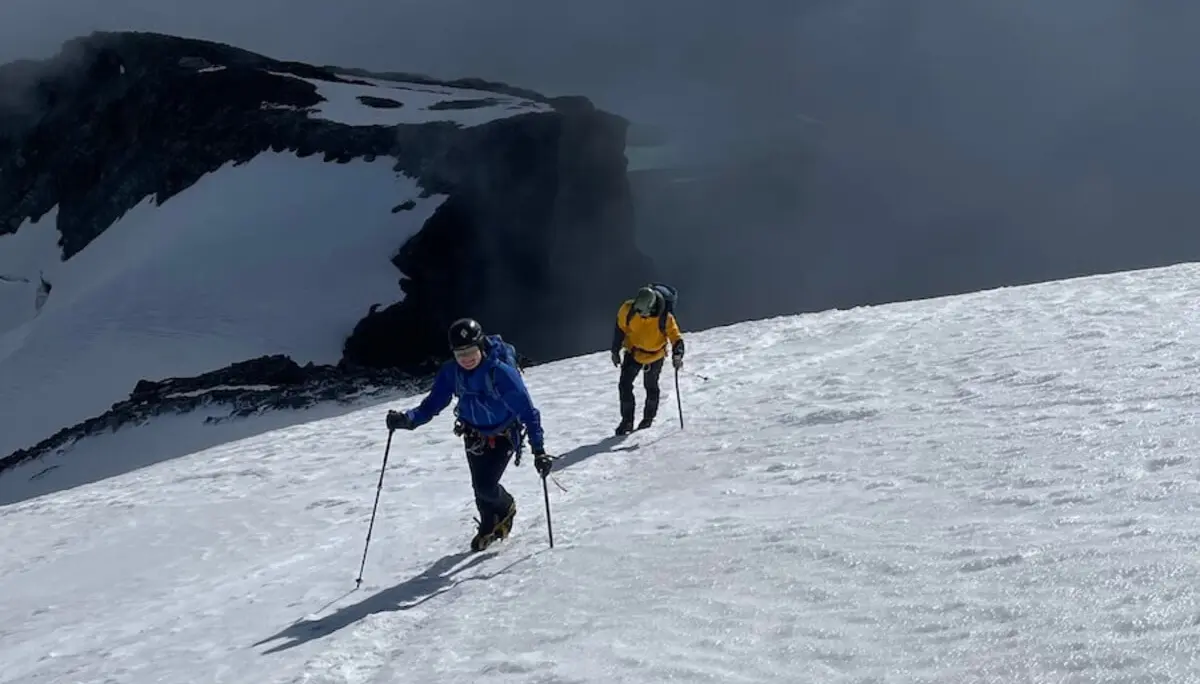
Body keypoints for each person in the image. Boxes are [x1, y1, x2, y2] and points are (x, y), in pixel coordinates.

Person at [385, 318, 552, 552]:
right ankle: (488, 524)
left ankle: (506, 507)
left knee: (485, 485)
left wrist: (539, 450)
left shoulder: (500, 373)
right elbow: (432, 404)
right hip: (473, 434)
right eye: (460, 353)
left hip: (504, 434)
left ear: (481, 346)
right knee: (479, 485)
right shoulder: (451, 372)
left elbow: (528, 411)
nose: (466, 358)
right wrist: (407, 420)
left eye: (471, 351)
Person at [610, 284, 685, 435]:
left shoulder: (665, 318)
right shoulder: (628, 309)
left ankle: (647, 419)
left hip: (654, 356)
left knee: (650, 386)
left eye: (644, 313)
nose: (641, 315)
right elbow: (620, 328)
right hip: (634, 352)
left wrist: (678, 354)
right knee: (625, 385)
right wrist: (615, 351)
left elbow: (676, 338)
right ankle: (627, 421)